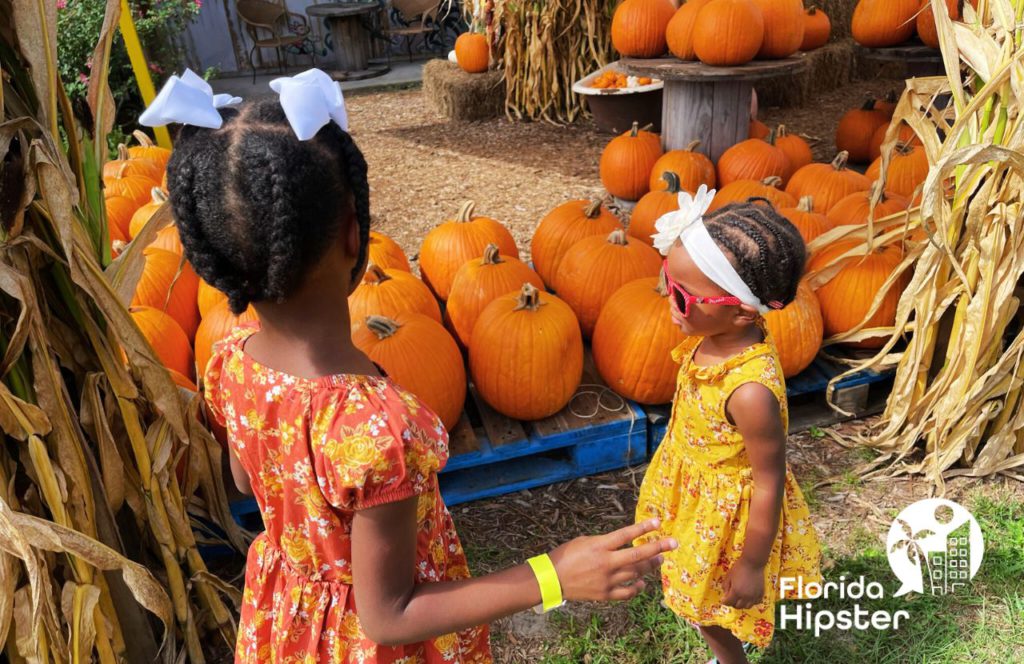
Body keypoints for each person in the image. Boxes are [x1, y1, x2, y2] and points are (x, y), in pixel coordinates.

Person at [146, 69, 677, 663]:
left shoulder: (228, 361)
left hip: (288, 616)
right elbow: (387, 613)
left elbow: (251, 483)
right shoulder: (375, 428)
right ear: (354, 233)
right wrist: (551, 574)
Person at [636, 188, 822, 664]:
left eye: (681, 294)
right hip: (693, 488)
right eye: (666, 281)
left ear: (740, 310)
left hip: (727, 517)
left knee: (710, 607)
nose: (668, 299)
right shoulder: (715, 335)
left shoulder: (750, 392)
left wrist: (752, 563)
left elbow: (769, 480)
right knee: (694, 592)